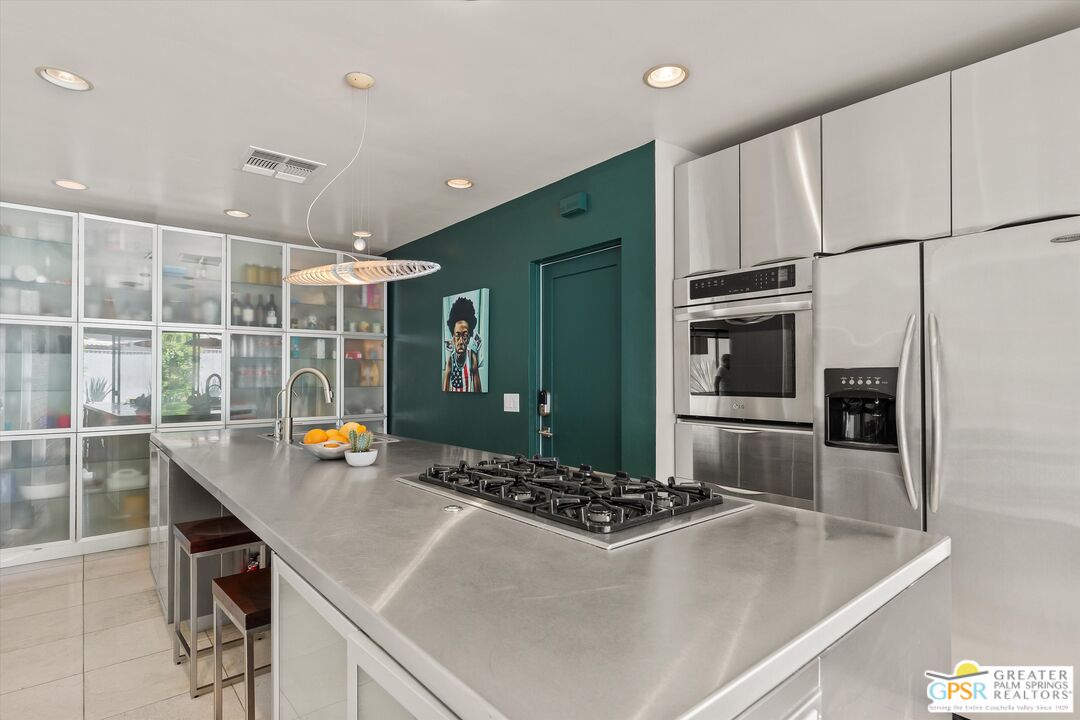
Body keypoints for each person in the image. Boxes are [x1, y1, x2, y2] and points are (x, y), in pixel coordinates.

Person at [442, 296, 483, 392]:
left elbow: (478, 391)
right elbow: (445, 389)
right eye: (457, 335)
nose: (461, 341)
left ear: (469, 338)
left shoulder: (472, 357)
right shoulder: (450, 360)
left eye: (464, 336)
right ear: (453, 338)